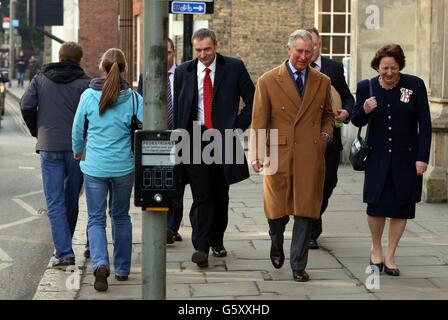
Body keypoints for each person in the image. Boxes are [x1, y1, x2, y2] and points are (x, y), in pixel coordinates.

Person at [249, 29, 334, 282]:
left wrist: (325, 137)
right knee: (277, 210)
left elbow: (328, 115)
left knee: (306, 210)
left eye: (309, 52)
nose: (304, 56)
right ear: (288, 50)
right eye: (299, 51)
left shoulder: (323, 81)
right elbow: (258, 121)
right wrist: (255, 153)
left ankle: (298, 264)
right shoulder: (268, 80)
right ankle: (276, 240)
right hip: (277, 152)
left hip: (310, 153)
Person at [173, 28, 254, 268]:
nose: (203, 54)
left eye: (207, 49)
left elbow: (253, 99)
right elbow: (179, 108)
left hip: (223, 138)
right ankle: (201, 247)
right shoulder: (183, 71)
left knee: (220, 193)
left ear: (216, 46)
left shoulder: (234, 67)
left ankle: (217, 239)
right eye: (198, 50)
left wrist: (237, 127)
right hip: (194, 139)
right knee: (202, 193)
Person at [351, 44, 431, 276]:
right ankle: (376, 248)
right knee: (376, 207)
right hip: (377, 158)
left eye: (393, 68)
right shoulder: (367, 87)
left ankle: (391, 255)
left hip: (407, 159)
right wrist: (364, 109)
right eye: (385, 68)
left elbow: (425, 123)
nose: (388, 72)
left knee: (401, 208)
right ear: (378, 66)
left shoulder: (414, 85)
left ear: (400, 67)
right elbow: (356, 121)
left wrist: (422, 158)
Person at [72, 48, 143, 291]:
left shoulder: (88, 96)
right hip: (124, 166)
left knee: (95, 218)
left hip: (94, 166)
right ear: (124, 69)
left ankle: (101, 264)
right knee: (121, 216)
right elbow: (144, 129)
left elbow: (77, 129)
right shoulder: (134, 99)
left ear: (102, 68)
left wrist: (78, 150)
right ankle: (122, 269)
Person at [20, 42, 91, 269]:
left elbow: (26, 106)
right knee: (71, 198)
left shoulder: (41, 79)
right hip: (77, 150)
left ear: (59, 57)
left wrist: (37, 130)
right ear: (79, 60)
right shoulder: (86, 84)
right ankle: (65, 247)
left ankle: (64, 253)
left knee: (54, 201)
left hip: (49, 146)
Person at [306, 27, 355, 249]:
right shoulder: (293, 68)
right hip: (303, 140)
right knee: (308, 185)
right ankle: (310, 231)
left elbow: (347, 96)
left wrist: (346, 112)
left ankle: (314, 218)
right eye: (307, 45)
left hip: (329, 139)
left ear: (319, 45)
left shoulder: (334, 68)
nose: (310, 50)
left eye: (314, 45)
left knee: (328, 183)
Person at [137, 38, 184, 245]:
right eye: (160, 54)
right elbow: (141, 107)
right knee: (159, 181)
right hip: (156, 139)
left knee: (178, 184)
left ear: (174, 52)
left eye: (168, 53)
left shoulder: (184, 74)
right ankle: (162, 226)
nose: (164, 57)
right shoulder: (145, 76)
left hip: (179, 136)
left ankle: (171, 227)